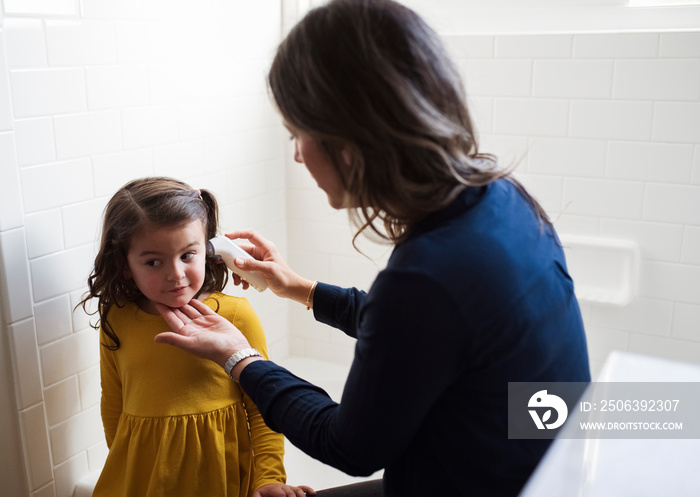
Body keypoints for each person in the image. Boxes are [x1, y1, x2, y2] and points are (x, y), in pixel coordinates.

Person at [154, 1, 591, 496]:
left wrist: (240, 358)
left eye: (298, 134)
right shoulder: (500, 198)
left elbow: (350, 447)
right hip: (533, 467)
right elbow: (419, 335)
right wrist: (299, 287)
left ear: (348, 140)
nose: (297, 154)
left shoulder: (429, 273)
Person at [78, 177, 314, 497]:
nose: (175, 274)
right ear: (123, 264)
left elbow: (261, 408)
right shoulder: (118, 320)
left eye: (187, 255)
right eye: (153, 261)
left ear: (208, 250)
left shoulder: (234, 316)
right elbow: (113, 403)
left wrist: (269, 476)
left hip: (218, 475)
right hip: (143, 478)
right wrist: (127, 463)